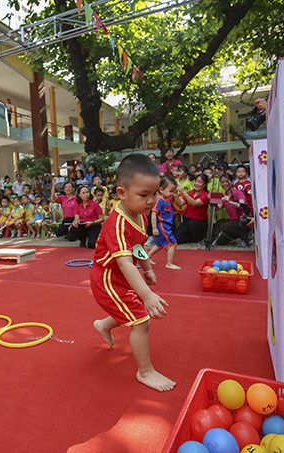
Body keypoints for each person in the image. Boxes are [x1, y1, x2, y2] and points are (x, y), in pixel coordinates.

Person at [90, 154, 175, 392]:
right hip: (107, 278)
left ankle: (104, 325)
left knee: (129, 308)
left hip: (119, 275)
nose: (151, 201)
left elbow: (137, 247)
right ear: (122, 193)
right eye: (144, 195)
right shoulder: (117, 224)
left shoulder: (139, 215)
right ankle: (145, 372)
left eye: (155, 193)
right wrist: (147, 295)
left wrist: (147, 267)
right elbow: (126, 263)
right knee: (141, 319)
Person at [148, 176, 183, 270]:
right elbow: (153, 214)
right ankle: (169, 263)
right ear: (161, 189)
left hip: (166, 225)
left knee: (159, 244)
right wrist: (154, 228)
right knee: (173, 243)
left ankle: (148, 257)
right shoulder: (159, 200)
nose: (172, 193)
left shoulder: (165, 200)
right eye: (171, 191)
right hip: (162, 226)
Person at [214, 175, 250, 246]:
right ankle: (242, 236)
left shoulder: (238, 192)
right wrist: (212, 200)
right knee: (220, 241)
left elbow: (242, 205)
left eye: (226, 182)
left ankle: (246, 236)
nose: (224, 184)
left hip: (243, 220)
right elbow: (218, 208)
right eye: (222, 182)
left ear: (232, 182)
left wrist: (229, 202)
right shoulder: (223, 195)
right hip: (233, 223)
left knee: (223, 226)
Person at [174, 173, 210, 244]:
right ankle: (193, 238)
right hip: (187, 221)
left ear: (205, 185)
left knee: (193, 224)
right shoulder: (190, 193)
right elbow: (180, 203)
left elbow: (195, 204)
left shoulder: (206, 195)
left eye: (200, 182)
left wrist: (183, 192)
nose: (196, 183)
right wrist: (175, 194)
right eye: (196, 181)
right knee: (176, 238)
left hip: (199, 222)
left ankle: (199, 238)